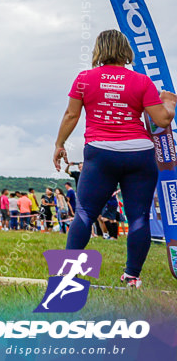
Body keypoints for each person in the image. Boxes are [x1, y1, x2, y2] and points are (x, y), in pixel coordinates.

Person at [53, 29, 176, 288]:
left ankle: (68, 276)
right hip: (139, 154)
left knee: (86, 213)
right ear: (126, 51)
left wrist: (60, 144)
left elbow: (71, 116)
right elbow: (162, 120)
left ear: (99, 50)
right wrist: (170, 104)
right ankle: (132, 277)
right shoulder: (142, 81)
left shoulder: (84, 79)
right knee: (139, 217)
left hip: (101, 153)